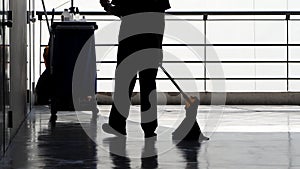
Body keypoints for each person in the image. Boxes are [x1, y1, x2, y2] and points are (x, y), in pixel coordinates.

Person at [100, 0, 171, 138]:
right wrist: (158, 46)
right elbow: (160, 19)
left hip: (130, 40)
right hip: (151, 42)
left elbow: (122, 11)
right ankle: (149, 128)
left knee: (124, 83)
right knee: (148, 84)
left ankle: (117, 124)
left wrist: (106, 6)